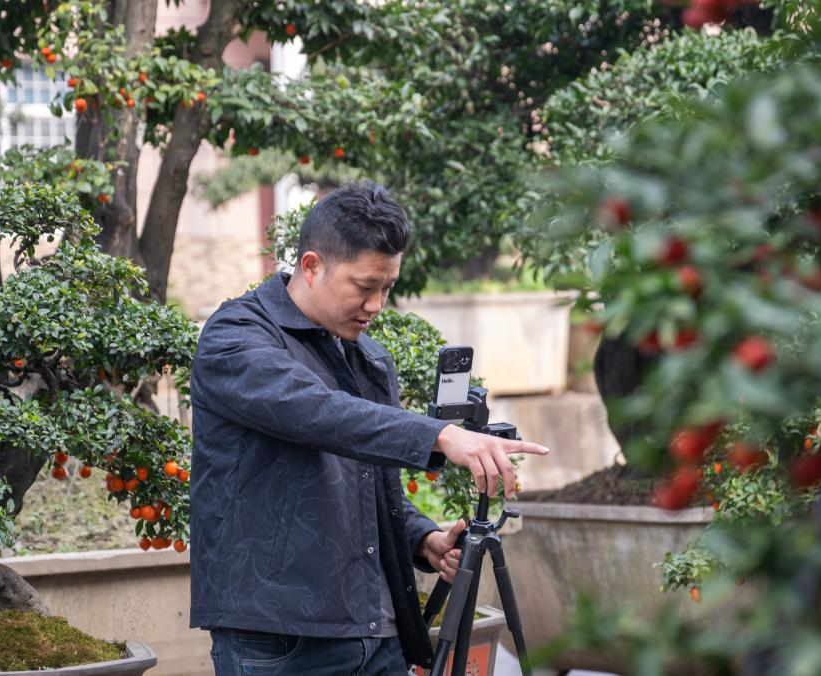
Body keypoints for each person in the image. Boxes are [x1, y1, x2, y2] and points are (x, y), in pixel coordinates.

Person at [187, 181, 550, 675]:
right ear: (311, 266)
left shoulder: (369, 357)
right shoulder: (235, 337)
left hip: (377, 633)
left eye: (388, 287)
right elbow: (316, 411)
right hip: (279, 638)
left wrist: (423, 539)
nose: (377, 305)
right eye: (364, 287)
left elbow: (369, 484)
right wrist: (439, 435)